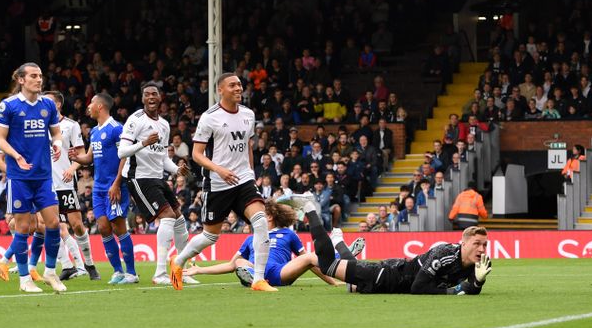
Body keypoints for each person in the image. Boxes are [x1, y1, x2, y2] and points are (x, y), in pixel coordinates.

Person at [169, 72, 275, 292]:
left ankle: (258, 280)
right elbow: (197, 154)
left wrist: (251, 173)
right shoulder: (210, 117)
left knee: (261, 221)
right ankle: (178, 262)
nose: (238, 88)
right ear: (220, 90)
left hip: (244, 179)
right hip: (218, 183)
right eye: (232, 85)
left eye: (239, 85)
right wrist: (220, 170)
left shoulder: (248, 114)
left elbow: (247, 146)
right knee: (210, 236)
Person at [299, 193, 491, 295]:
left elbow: (471, 290)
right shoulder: (444, 253)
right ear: (464, 244)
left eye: (485, 244)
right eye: (477, 244)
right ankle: (309, 208)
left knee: (352, 283)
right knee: (328, 266)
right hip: (387, 275)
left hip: (388, 284)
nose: (482, 249)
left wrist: (478, 282)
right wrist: (455, 290)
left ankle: (338, 241)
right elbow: (418, 288)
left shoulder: (479, 263)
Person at [0, 63, 67, 293]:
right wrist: (16, 156)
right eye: (34, 76)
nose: (39, 80)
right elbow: (0, 139)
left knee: (54, 223)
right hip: (20, 176)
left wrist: (56, 145)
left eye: (40, 76)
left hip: (44, 175)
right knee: (24, 227)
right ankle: (25, 279)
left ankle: (51, 272)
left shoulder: (47, 104)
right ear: (22, 80)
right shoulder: (8, 106)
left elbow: (56, 132)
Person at [182, 200, 365, 288]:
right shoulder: (250, 238)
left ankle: (341, 260)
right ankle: (253, 277)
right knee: (239, 263)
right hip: (256, 270)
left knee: (310, 257)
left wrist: (333, 282)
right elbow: (230, 265)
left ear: (269, 216)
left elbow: (313, 264)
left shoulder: (288, 234)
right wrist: (200, 270)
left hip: (279, 273)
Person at [118, 82, 196, 285]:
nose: (151, 97)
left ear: (160, 98)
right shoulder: (135, 120)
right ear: (143, 99)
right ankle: (160, 274)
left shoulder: (164, 124)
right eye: (147, 94)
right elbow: (121, 152)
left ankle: (181, 270)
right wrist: (143, 143)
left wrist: (178, 170)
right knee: (168, 216)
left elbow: (162, 159)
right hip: (139, 177)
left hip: (156, 177)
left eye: (154, 94)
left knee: (179, 220)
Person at [70, 92, 138, 284]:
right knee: (103, 227)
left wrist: (117, 183)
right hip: (99, 187)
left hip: (115, 185)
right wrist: (75, 157)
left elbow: (125, 157)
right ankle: (118, 271)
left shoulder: (117, 129)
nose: (88, 107)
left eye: (91, 103)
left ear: (100, 106)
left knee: (118, 226)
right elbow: (89, 157)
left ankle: (131, 273)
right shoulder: (94, 131)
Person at [45, 90, 98, 281]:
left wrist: (72, 169)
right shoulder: (40, 127)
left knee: (76, 225)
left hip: (65, 183)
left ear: (58, 104)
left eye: (48, 101)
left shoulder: (70, 125)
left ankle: (90, 264)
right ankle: (67, 265)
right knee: (53, 226)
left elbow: (82, 155)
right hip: (45, 185)